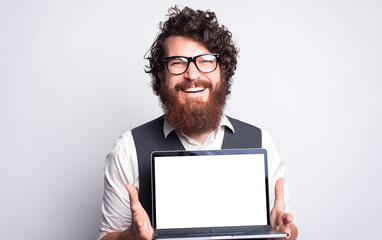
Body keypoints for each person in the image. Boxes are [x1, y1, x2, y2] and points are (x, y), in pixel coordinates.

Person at [98, 6, 298, 240]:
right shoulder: (128, 149)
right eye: (177, 62)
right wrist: (129, 237)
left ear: (222, 70)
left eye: (205, 61)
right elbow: (106, 236)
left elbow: (288, 231)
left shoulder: (262, 142)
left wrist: (283, 233)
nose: (192, 75)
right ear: (162, 74)